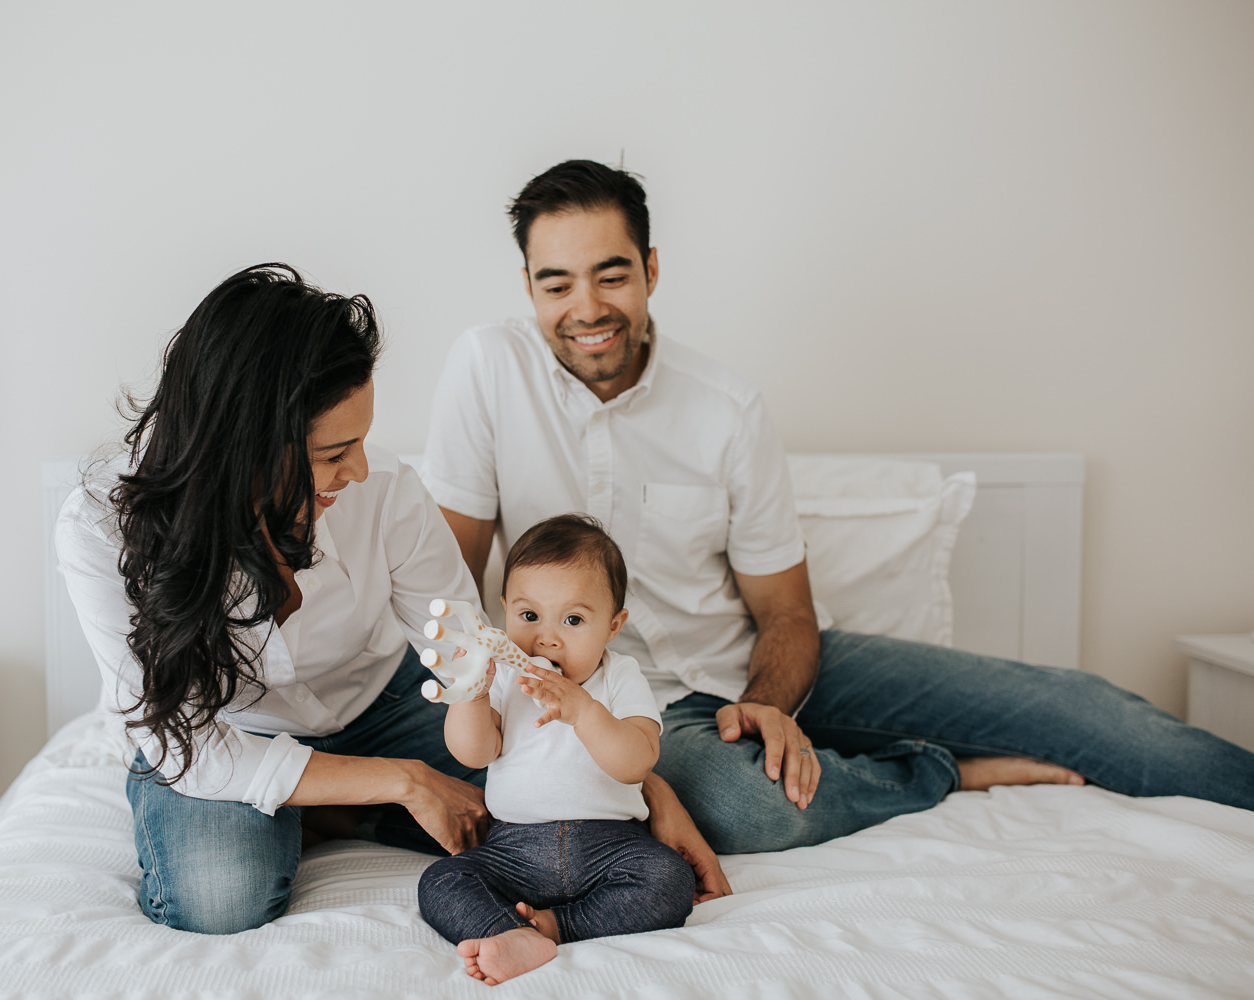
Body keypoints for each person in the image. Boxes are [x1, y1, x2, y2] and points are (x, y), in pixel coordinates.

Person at [422, 160, 1254, 856]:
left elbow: (785, 611)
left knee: (1073, 709)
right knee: (749, 807)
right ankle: (940, 771)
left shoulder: (726, 408)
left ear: (651, 269)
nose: (587, 308)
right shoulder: (488, 369)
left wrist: (769, 706)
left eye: (612, 273)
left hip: (750, 665)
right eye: (555, 282)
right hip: (636, 707)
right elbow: (451, 583)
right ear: (527, 287)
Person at [55, 263, 726, 935]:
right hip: (230, 733)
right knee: (219, 899)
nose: (360, 470)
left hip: (384, 701)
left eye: (362, 442)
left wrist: (640, 784)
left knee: (543, 821)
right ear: (244, 446)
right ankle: (343, 801)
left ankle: (329, 809)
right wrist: (404, 782)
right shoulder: (102, 529)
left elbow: (472, 651)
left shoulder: (386, 493)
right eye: (333, 452)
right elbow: (190, 749)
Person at [417, 514, 695, 985]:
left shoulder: (620, 676)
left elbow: (637, 762)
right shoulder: (504, 676)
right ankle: (509, 933)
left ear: (614, 624)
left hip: (611, 846)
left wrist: (584, 711)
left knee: (669, 881)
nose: (546, 637)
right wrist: (474, 695)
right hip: (513, 848)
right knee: (440, 882)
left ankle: (555, 927)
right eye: (528, 616)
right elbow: (474, 753)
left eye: (573, 619)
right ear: (503, 610)